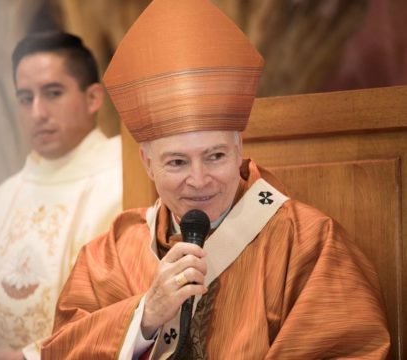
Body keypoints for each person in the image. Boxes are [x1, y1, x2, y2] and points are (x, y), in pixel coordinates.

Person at [41, 1, 390, 359]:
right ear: (147, 164)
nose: (199, 180)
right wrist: (144, 316)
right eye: (177, 162)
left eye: (215, 156)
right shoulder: (111, 254)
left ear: (238, 149)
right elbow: (61, 349)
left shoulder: (309, 245)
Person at [0, 31, 123, 360]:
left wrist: (31, 356)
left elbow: (129, 312)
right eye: (26, 98)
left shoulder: (126, 180)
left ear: (93, 98)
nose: (37, 112)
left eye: (53, 93)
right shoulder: (2, 200)